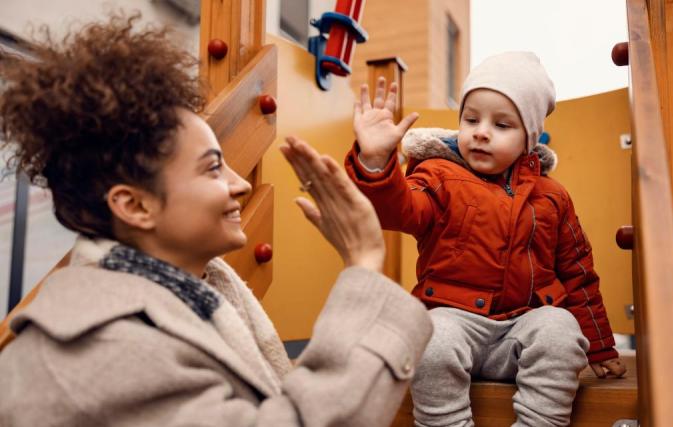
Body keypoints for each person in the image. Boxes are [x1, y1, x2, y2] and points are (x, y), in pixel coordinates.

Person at [0, 15, 432, 426]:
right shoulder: (95, 355)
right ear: (134, 206)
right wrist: (363, 263)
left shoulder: (193, 295)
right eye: (211, 168)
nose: (240, 185)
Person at [344, 52, 627, 427]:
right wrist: (376, 164)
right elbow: (400, 209)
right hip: (455, 323)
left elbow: (578, 274)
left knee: (560, 330)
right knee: (430, 337)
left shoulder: (552, 197)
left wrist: (602, 345)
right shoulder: (437, 177)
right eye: (471, 119)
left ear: (529, 137)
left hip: (522, 331)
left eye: (502, 124)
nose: (481, 131)